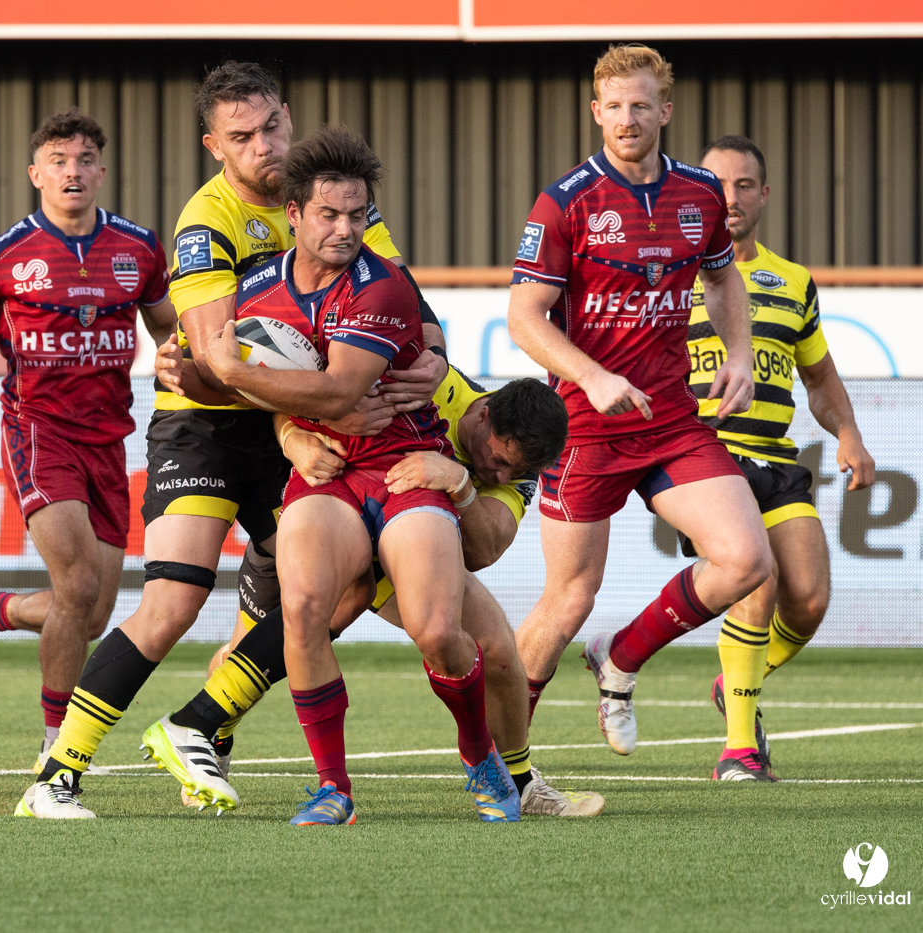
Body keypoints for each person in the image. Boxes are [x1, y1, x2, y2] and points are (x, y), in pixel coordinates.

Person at [8, 64, 444, 820]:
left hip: (304, 427)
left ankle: (199, 727)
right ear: (214, 144)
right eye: (241, 136)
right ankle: (55, 775)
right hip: (206, 424)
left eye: (272, 126)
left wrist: (432, 351)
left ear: (288, 116)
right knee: (174, 599)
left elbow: (405, 297)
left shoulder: (334, 201)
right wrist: (299, 419)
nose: (264, 146)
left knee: (340, 593)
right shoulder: (205, 222)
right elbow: (214, 366)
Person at [194, 126, 520, 824]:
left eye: (359, 215)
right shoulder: (255, 288)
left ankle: (479, 755)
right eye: (330, 214)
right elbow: (258, 385)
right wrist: (277, 425)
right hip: (325, 474)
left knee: (439, 630)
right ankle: (333, 787)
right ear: (295, 215)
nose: (347, 229)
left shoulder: (384, 285)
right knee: (304, 613)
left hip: (403, 469)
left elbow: (338, 391)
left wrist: (229, 369)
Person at [149, 367, 606, 816]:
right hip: (318, 516)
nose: (503, 477)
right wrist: (292, 437)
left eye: (516, 471)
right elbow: (303, 391)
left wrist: (462, 485)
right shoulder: (429, 381)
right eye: (501, 461)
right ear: (484, 415)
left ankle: (520, 782)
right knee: (248, 652)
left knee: (497, 649)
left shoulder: (513, 469)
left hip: (404, 538)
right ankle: (212, 735)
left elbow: (484, 549)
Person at [506, 44, 773, 765]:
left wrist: (740, 353)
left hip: (671, 420)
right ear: (597, 113)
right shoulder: (565, 201)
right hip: (586, 427)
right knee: (568, 599)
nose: (627, 118)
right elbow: (524, 317)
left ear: (665, 111)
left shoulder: (699, 194)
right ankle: (500, 762)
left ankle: (621, 657)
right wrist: (590, 376)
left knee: (747, 559)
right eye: (614, 106)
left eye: (641, 104)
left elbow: (722, 283)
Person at [0, 110, 176, 769]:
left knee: (87, 614)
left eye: (85, 158)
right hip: (39, 432)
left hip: (110, 442)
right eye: (58, 159)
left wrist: (186, 358)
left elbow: (169, 329)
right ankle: (55, 745)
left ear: (102, 172)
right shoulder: (2, 252)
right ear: (36, 174)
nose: (72, 170)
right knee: (80, 582)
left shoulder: (139, 247)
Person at [688, 135, 876, 780]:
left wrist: (848, 434)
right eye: (718, 183)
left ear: (764, 195)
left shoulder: (792, 281)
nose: (731, 197)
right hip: (703, 455)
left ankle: (736, 681)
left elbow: (819, 379)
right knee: (757, 576)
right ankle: (740, 748)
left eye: (745, 185)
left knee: (810, 601)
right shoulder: (670, 271)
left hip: (776, 455)